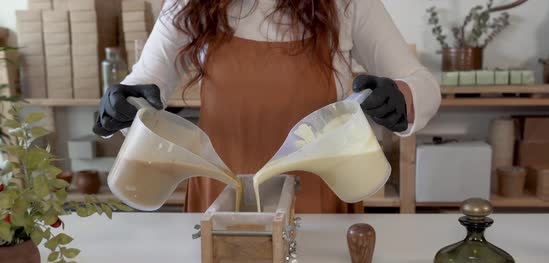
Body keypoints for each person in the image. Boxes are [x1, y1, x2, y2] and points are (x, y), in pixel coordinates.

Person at [93, 0, 441, 213]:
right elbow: (145, 83)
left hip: (316, 197)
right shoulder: (191, 4)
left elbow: (422, 83)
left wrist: (402, 96)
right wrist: (124, 101)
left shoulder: (346, 4)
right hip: (223, 197)